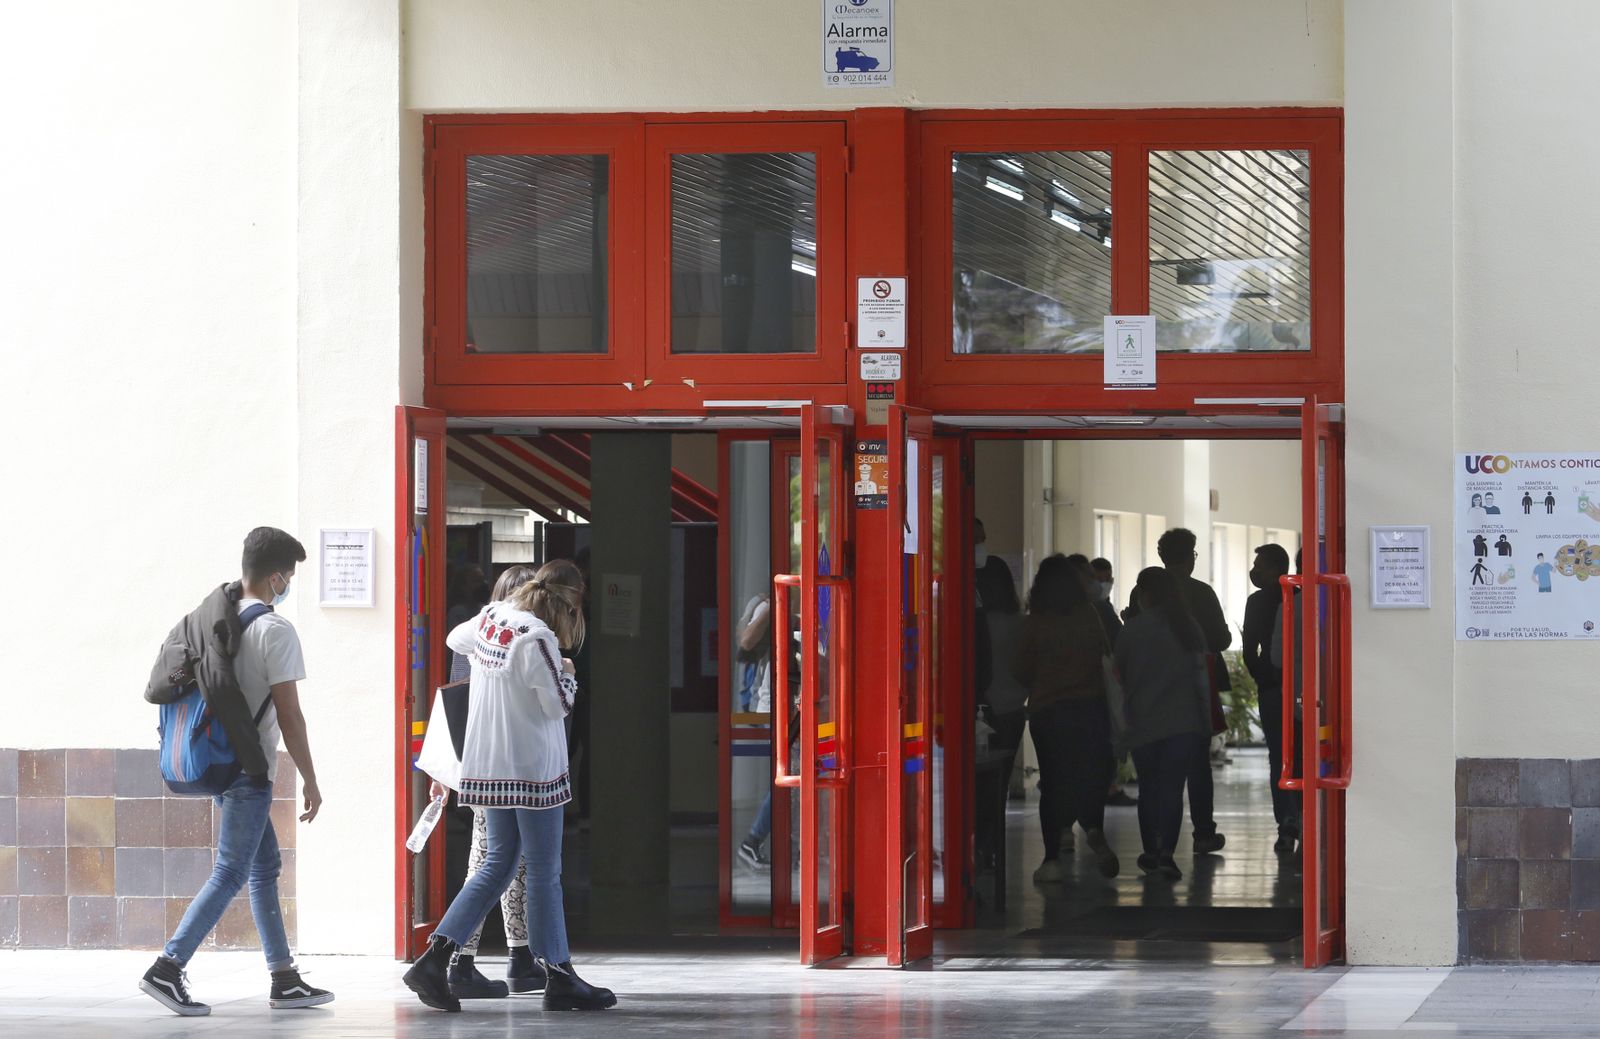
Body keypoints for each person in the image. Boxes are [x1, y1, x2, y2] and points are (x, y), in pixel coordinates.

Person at [405, 560, 615, 1013]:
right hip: (533, 768)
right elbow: (557, 704)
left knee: (495, 866)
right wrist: (567, 670)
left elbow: (452, 639)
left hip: (488, 766)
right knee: (543, 872)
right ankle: (558, 976)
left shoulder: (491, 618)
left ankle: (435, 957)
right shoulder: (537, 636)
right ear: (569, 604)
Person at [140, 528, 332, 1017]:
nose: (288, 585)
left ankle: (284, 978)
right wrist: (309, 777)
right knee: (231, 871)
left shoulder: (207, 618)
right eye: (289, 576)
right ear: (275, 576)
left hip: (221, 759)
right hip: (250, 769)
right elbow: (289, 714)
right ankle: (167, 967)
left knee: (264, 867)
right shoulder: (275, 630)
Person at [432, 564, 539, 999]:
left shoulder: (475, 636)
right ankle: (459, 958)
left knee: (507, 861)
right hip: (500, 766)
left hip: (478, 764)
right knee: (490, 863)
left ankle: (519, 957)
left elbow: (455, 697)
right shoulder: (510, 638)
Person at [1012, 555, 1119, 883]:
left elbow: (1022, 671)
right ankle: (1094, 829)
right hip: (1090, 706)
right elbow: (1105, 651)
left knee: (1055, 782)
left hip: (1049, 711)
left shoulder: (1034, 622)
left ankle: (1052, 858)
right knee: (1089, 776)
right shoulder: (1088, 614)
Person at [1115, 568, 1213, 880]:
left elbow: (1117, 678)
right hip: (1182, 723)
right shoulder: (1188, 628)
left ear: (1143, 594)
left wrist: (1119, 728)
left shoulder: (1132, 630)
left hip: (1143, 722)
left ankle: (1152, 851)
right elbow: (1201, 679)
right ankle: (1167, 853)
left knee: (1149, 789)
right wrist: (1205, 721)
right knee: (1172, 789)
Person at [1156, 528, 1230, 856]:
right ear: (1189, 557)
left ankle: (1159, 839)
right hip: (1196, 685)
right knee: (1197, 764)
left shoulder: (1143, 592)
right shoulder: (1201, 592)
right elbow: (1222, 638)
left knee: (1159, 767)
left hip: (1154, 689)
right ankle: (1202, 832)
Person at [973, 520, 1025, 866]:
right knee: (998, 787)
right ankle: (990, 846)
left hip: (980, 708)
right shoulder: (1017, 623)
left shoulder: (969, 621)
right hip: (1010, 709)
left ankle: (975, 846)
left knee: (973, 788)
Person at [1242, 544, 1299, 854]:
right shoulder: (1301, 595)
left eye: (1260, 566)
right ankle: (1299, 819)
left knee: (1279, 757)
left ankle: (1287, 822)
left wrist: (1265, 679)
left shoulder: (1259, 602)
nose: (1255, 571)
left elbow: (1250, 650)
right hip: (1299, 690)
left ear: (1279, 567)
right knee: (1296, 755)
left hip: (1274, 691)